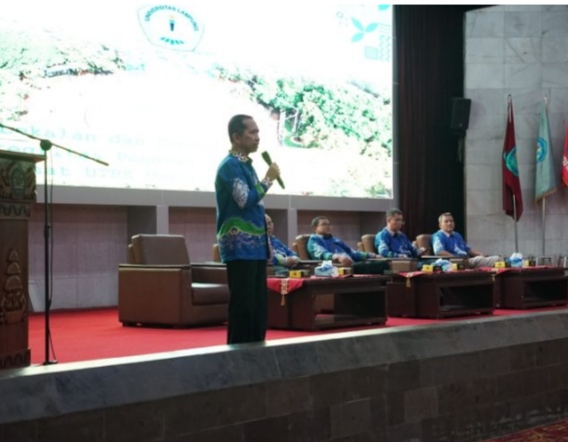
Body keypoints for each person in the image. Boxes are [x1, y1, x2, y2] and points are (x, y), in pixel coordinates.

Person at [215, 114, 281, 345]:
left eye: (258, 132)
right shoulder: (230, 166)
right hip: (239, 244)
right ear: (236, 137)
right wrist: (268, 180)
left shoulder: (246, 164)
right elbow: (244, 200)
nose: (257, 137)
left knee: (258, 306)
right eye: (252, 132)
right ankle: (237, 356)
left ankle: (257, 353)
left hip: (256, 246)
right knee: (243, 306)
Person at [432, 212, 501, 268]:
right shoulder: (438, 236)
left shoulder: (457, 235)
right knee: (480, 260)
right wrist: (455, 258)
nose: (449, 223)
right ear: (440, 225)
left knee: (497, 258)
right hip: (454, 262)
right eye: (446, 221)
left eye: (451, 221)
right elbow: (439, 251)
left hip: (467, 259)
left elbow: (468, 250)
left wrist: (479, 254)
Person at [307, 216, 377, 266]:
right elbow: (322, 254)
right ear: (315, 228)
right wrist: (337, 257)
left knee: (378, 263)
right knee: (380, 266)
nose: (328, 226)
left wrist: (371, 255)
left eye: (329, 224)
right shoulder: (314, 240)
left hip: (353, 264)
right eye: (324, 224)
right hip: (338, 267)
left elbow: (351, 253)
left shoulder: (335, 239)